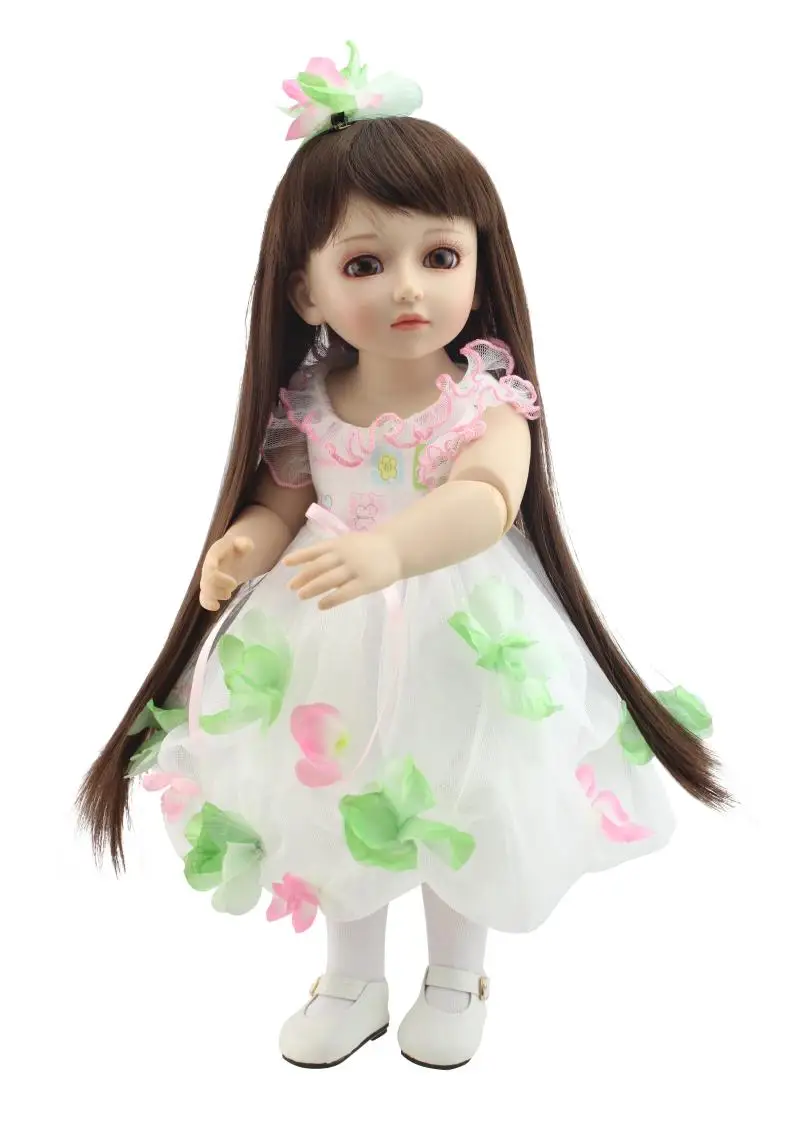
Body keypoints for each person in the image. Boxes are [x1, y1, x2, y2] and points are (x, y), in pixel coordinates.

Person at [75, 40, 732, 1071]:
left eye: (439, 256)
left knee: (459, 794)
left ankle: (455, 973)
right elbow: (281, 499)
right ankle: (351, 979)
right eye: (363, 264)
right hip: (328, 632)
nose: (408, 288)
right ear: (303, 293)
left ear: (479, 264)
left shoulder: (484, 400)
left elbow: (485, 501)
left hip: (463, 637)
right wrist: (242, 546)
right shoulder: (309, 402)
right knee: (336, 799)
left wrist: (389, 550)